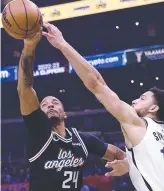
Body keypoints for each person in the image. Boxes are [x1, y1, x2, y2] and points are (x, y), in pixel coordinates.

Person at [42, 22, 164, 191]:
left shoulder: (136, 122)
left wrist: (62, 44)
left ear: (153, 108)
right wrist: (130, 166)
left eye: (142, 98)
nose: (134, 101)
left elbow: (96, 83)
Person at [17, 30, 125, 191]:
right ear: (38, 113)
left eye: (55, 102)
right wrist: (29, 47)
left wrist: (127, 164)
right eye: (45, 104)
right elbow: (24, 88)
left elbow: (118, 154)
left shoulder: (82, 140)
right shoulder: (38, 132)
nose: (50, 105)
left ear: (64, 112)